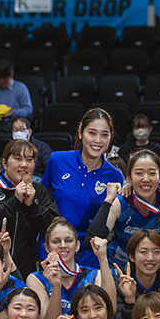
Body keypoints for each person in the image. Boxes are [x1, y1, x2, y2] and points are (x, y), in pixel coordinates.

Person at [42, 108, 124, 269]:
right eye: (92, 133)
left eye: (104, 135)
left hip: (88, 257)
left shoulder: (115, 176)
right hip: (53, 252)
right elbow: (41, 200)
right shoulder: (57, 160)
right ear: (80, 132)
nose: (98, 140)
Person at [88, 149, 160, 267]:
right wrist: (108, 201)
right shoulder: (121, 202)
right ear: (129, 178)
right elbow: (90, 243)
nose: (146, 179)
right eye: (139, 173)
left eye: (152, 173)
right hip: (119, 267)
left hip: (154, 267)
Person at [0, 139, 58, 276]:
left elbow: (53, 229)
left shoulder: (38, 190)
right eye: (18, 159)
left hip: (28, 270)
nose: (24, 165)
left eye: (30, 160)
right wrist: (14, 201)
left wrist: (32, 206)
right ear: (4, 163)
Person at [28, 218, 116, 319]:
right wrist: (56, 287)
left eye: (68, 240)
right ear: (47, 248)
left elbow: (111, 311)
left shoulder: (93, 275)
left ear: (77, 246)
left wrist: (102, 258)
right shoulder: (37, 279)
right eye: (56, 241)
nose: (63, 245)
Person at [0, 59, 32, 133]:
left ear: (11, 73)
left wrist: (12, 112)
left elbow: (28, 110)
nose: (2, 81)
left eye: (4, 78)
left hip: (16, 122)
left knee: (19, 131)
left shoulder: (21, 88)